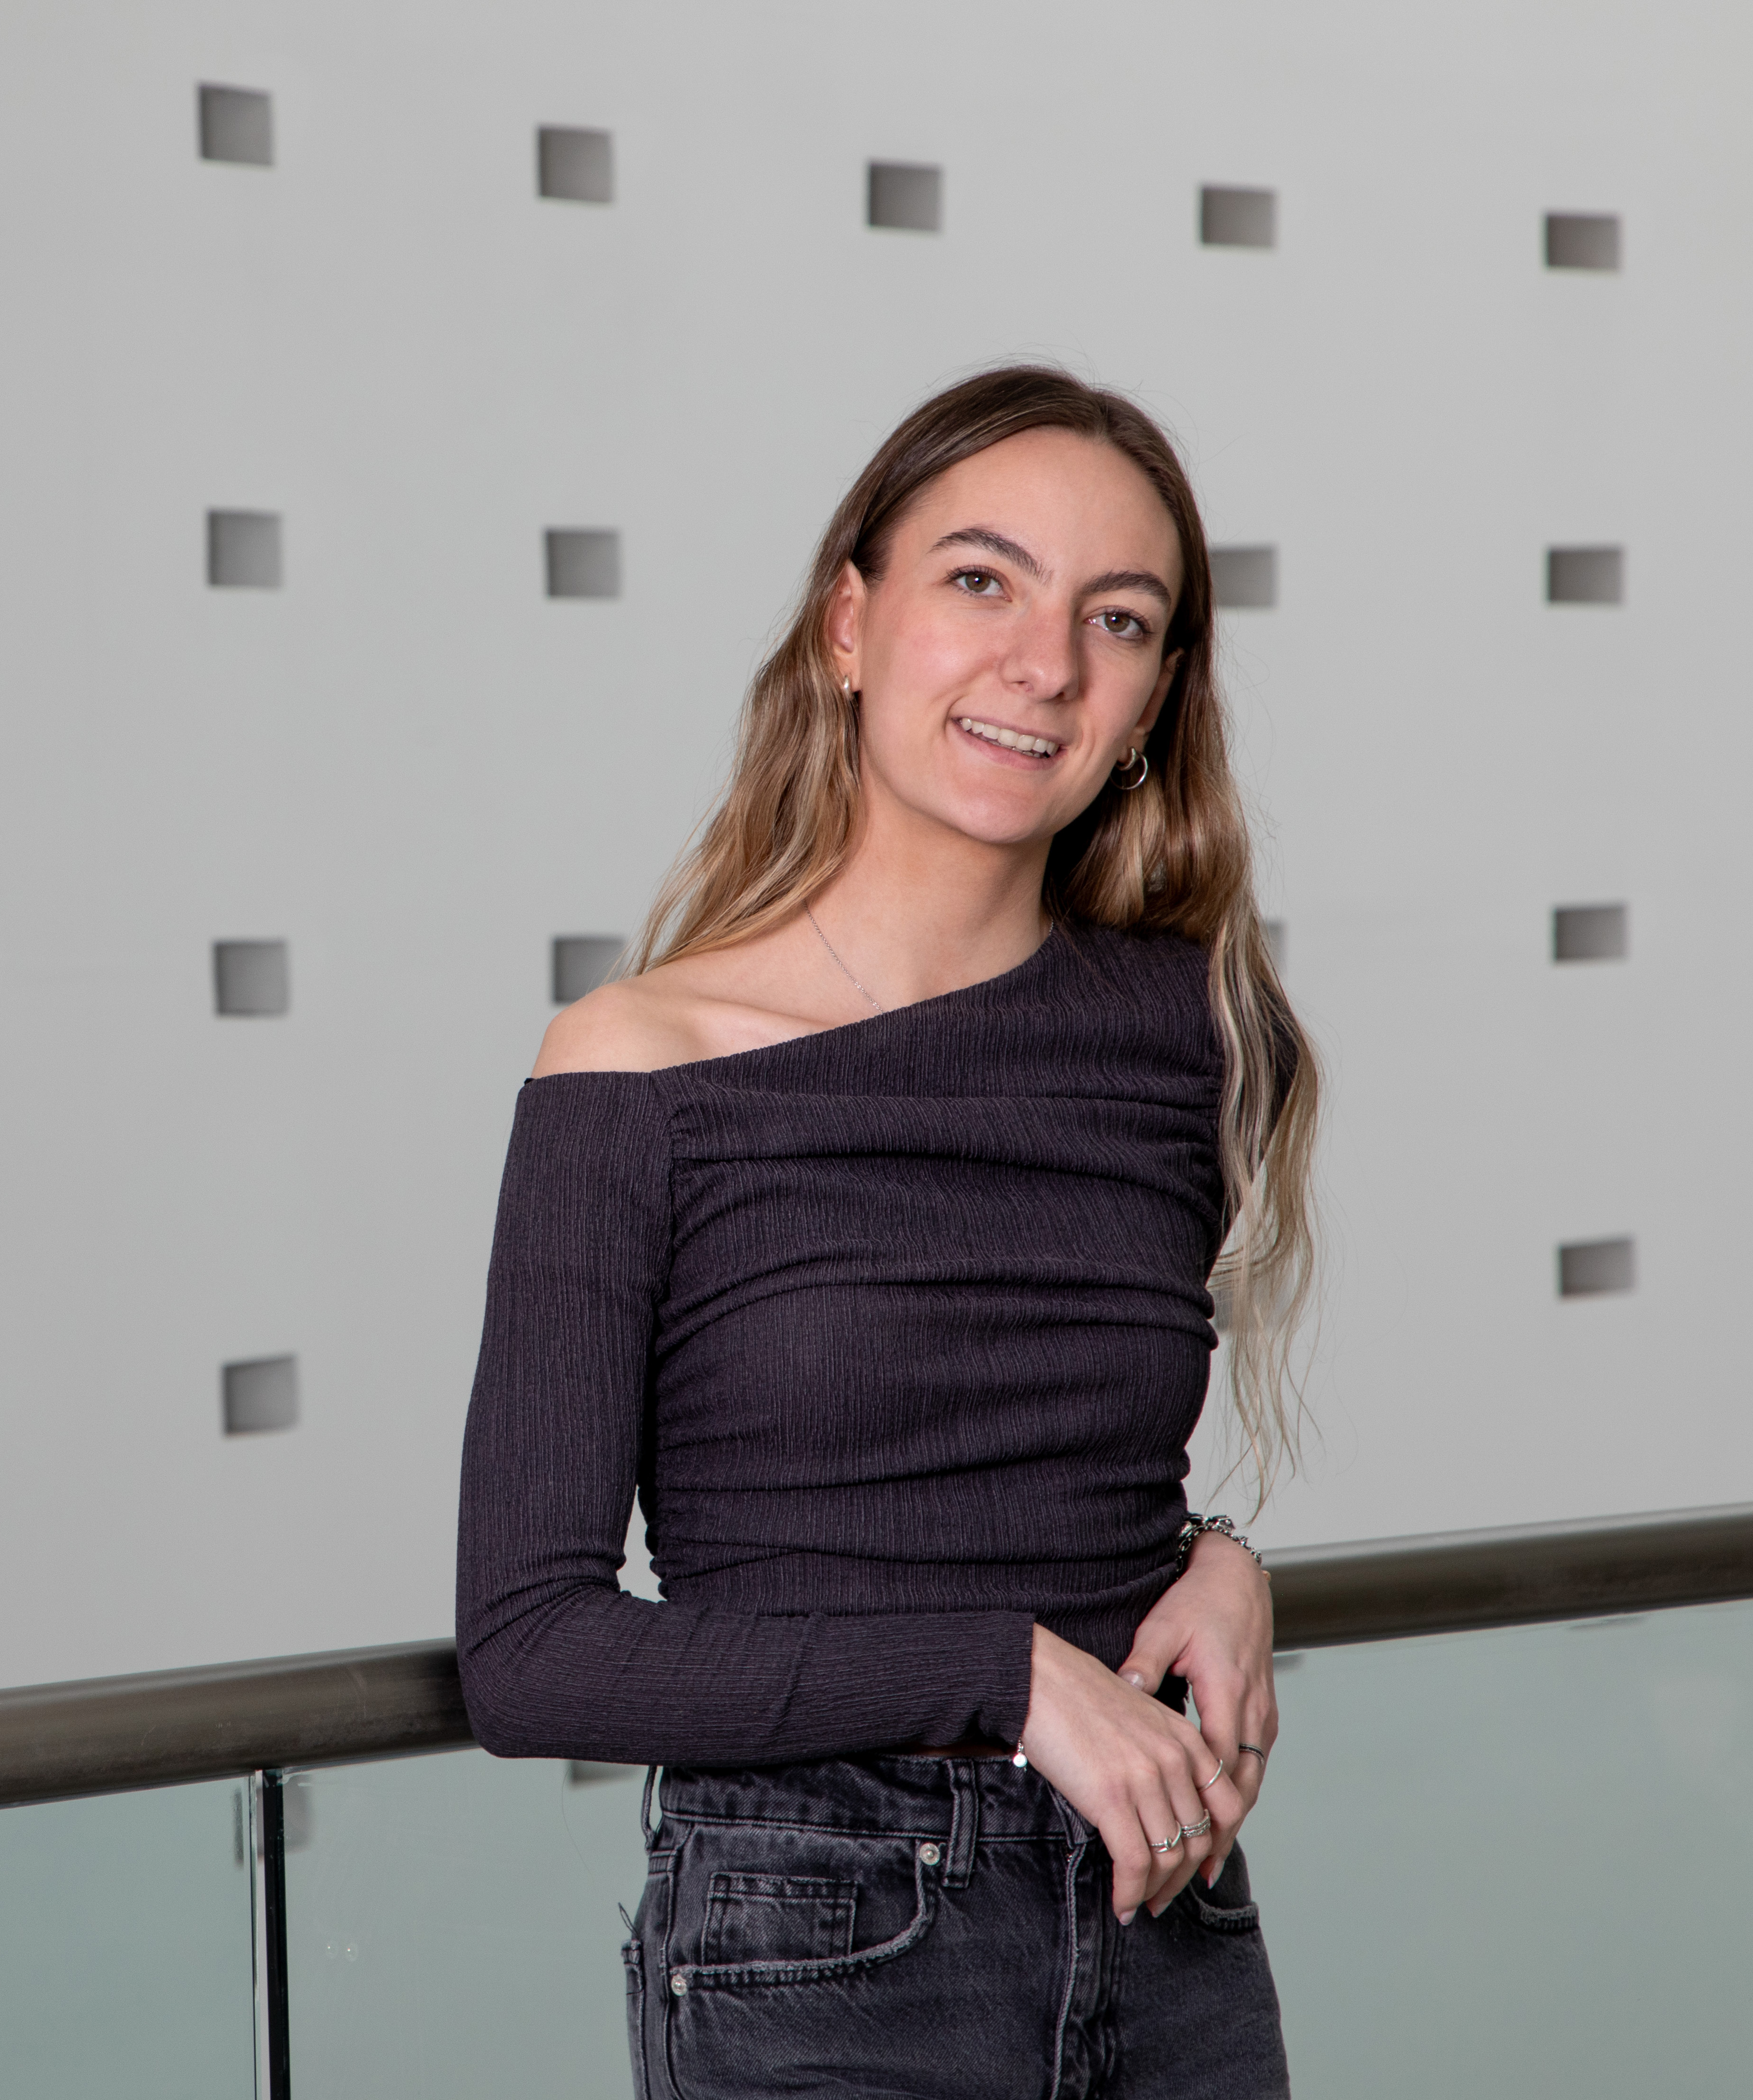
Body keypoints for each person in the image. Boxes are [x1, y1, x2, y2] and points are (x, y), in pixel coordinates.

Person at [454, 365, 1320, 2099]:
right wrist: (1005, 1677)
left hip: (1169, 1917)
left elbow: (1029, 1468)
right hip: (824, 1944)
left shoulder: (1194, 1033)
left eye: (1118, 619)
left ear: (1154, 699)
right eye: (982, 580)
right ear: (850, 624)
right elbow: (531, 1650)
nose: (1045, 664)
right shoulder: (637, 1069)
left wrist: (1217, 1557)